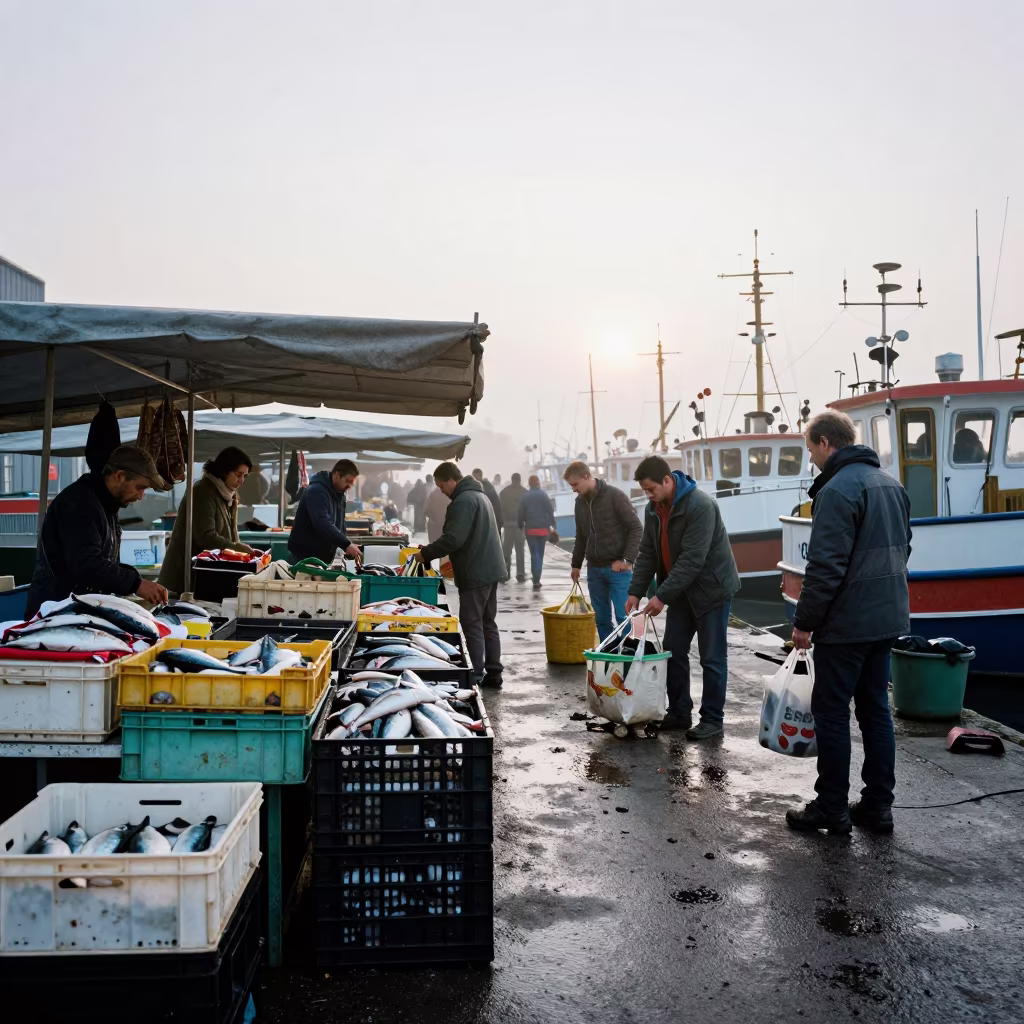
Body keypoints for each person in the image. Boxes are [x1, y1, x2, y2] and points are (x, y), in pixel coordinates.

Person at [786, 410, 911, 836]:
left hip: (847, 623)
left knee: (832, 712)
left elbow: (824, 566)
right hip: (887, 618)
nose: (812, 460)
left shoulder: (837, 490)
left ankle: (832, 808)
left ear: (824, 443)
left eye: (810, 451)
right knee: (876, 710)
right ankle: (878, 807)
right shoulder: (891, 485)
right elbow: (904, 549)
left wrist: (804, 623)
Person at [625, 455, 739, 740]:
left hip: (711, 591)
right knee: (673, 652)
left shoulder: (700, 505)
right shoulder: (653, 510)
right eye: (644, 491)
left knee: (712, 658)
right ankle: (679, 712)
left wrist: (661, 595)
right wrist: (635, 591)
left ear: (667, 480)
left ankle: (712, 719)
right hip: (681, 593)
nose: (648, 496)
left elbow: (692, 559)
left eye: (651, 489)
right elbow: (647, 552)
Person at [25, 445, 170, 618]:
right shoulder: (79, 503)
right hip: (56, 614)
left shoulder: (105, 505)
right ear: (119, 476)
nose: (140, 496)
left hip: (79, 611)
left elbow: (104, 561)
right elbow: (87, 564)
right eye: (140, 487)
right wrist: (136, 584)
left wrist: (135, 579)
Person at [416, 463, 506, 687]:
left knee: (472, 623)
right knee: (488, 622)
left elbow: (453, 539)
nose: (442, 491)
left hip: (475, 571)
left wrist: (425, 554)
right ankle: (494, 672)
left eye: (441, 486)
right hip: (491, 569)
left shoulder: (463, 501)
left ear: (451, 481)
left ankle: (475, 675)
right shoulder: (480, 497)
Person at [159, 446, 256, 594]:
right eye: (238, 474)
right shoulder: (203, 491)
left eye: (245, 476)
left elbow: (230, 533)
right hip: (188, 575)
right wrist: (239, 549)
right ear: (225, 470)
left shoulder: (230, 495)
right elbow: (205, 536)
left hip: (210, 573)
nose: (242, 481)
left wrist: (241, 554)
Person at [564, 460, 642, 640]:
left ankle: (627, 659)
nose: (573, 489)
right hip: (594, 570)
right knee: (601, 619)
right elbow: (581, 536)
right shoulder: (579, 503)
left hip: (619, 571)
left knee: (624, 618)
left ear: (586, 476)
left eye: (575, 484)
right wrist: (576, 565)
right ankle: (610, 657)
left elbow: (636, 528)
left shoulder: (615, 496)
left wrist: (627, 560)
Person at [288, 459, 362, 567]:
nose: (349, 486)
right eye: (347, 481)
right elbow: (322, 523)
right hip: (305, 558)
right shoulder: (316, 491)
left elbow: (340, 525)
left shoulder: (339, 494)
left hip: (322, 559)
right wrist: (346, 544)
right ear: (337, 475)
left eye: (351, 483)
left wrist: (346, 544)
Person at [518, 475, 556, 590]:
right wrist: (553, 525)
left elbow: (521, 513)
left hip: (530, 530)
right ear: (538, 483)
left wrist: (521, 525)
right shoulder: (543, 495)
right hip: (542, 529)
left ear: (529, 484)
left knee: (534, 554)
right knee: (540, 554)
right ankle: (536, 579)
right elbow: (550, 510)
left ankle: (535, 578)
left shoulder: (525, 497)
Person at [499, 472, 528, 581]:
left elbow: (500, 509)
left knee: (507, 550)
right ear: (519, 480)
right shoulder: (525, 492)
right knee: (519, 550)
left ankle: (505, 573)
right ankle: (520, 573)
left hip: (508, 524)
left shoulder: (504, 492)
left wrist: (502, 521)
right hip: (519, 525)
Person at [472, 468, 504, 533]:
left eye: (476, 477)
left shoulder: (488, 488)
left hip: (489, 520)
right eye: (474, 477)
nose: (475, 479)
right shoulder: (473, 488)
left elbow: (496, 505)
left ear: (480, 476)